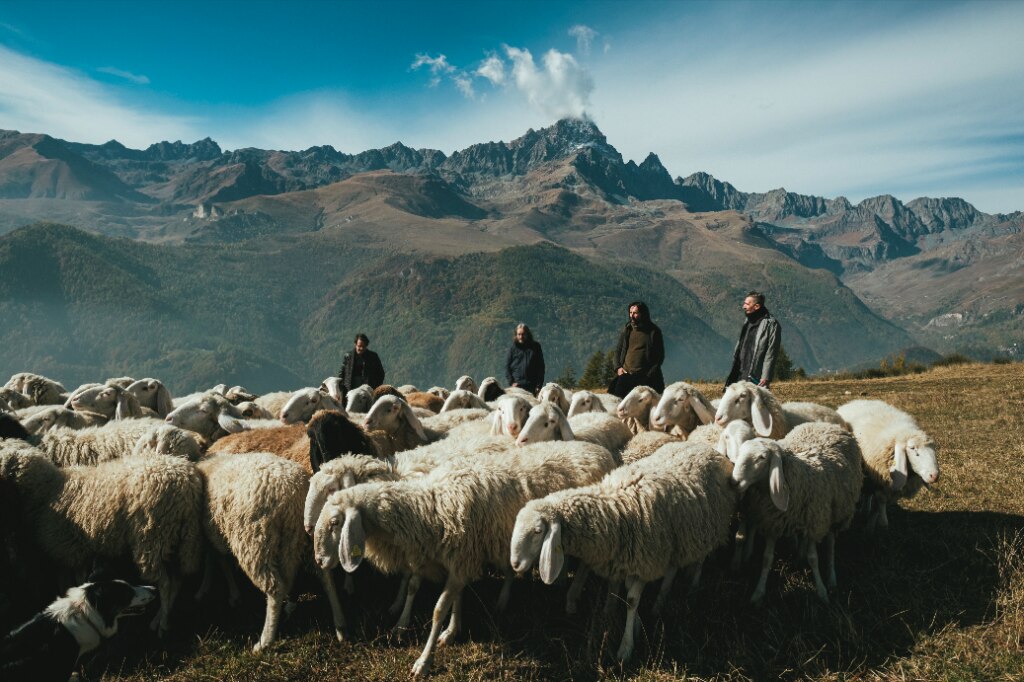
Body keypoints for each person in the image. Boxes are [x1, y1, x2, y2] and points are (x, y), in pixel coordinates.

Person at [725, 290, 781, 390]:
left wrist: (766, 376)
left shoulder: (771, 324)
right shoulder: (747, 321)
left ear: (756, 307)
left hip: (755, 375)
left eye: (747, 304)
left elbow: (771, 352)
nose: (743, 306)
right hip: (739, 372)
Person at [608, 301, 665, 398]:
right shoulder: (627, 330)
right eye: (630, 313)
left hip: (645, 378)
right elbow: (618, 350)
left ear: (642, 314)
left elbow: (659, 357)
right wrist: (618, 367)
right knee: (615, 401)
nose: (632, 316)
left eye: (635, 313)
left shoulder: (653, 332)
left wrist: (648, 375)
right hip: (625, 375)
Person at [505, 323, 545, 395]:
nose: (521, 336)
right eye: (519, 334)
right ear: (516, 335)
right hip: (517, 386)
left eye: (523, 334)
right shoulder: (513, 348)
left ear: (527, 334)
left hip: (531, 386)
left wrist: (539, 385)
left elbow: (541, 367)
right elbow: (507, 367)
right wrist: (511, 382)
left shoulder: (535, 347)